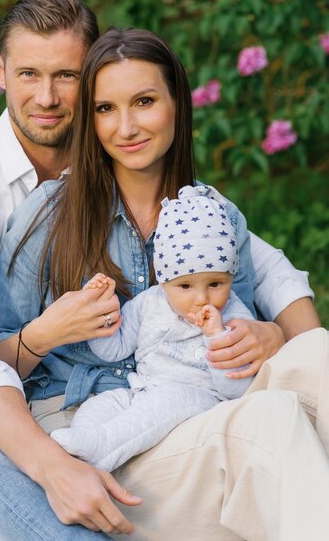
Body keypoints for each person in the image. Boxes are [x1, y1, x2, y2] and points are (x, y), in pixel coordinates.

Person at [0, 26, 329, 540]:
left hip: (204, 402)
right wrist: (45, 333)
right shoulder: (48, 219)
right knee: (271, 424)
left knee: (319, 354)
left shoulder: (218, 215)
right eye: (105, 108)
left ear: (177, 105)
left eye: (144, 101)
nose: (126, 126)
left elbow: (243, 327)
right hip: (102, 435)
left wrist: (270, 337)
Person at [0, 0, 143, 541]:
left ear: (91, 74)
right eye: (29, 74)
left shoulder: (117, 157)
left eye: (66, 75)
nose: (47, 96)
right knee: (6, 463)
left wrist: (274, 333)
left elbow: (247, 252)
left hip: (68, 394)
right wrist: (54, 467)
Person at [51, 184, 255, 472]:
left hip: (199, 401)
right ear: (164, 280)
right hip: (143, 389)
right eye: (185, 286)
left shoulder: (234, 315)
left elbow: (238, 388)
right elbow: (114, 350)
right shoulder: (150, 303)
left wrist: (216, 337)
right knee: (104, 405)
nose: (201, 298)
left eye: (215, 284)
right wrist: (102, 310)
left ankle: (101, 450)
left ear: (230, 278)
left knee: (162, 404)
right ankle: (86, 450)